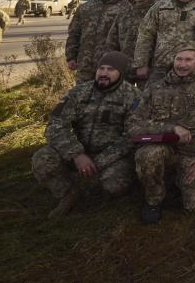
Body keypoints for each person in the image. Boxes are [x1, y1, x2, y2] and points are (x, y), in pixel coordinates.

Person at [129, 44, 195, 224]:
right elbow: (133, 123)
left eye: (188, 60)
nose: (182, 65)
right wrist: (171, 128)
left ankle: (180, 182)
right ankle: (153, 199)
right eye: (179, 59)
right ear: (173, 60)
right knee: (148, 155)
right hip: (162, 151)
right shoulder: (155, 88)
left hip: (193, 157)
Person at [31, 52, 140, 218]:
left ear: (121, 73)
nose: (103, 73)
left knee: (115, 185)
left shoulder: (133, 97)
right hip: (78, 152)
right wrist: (77, 154)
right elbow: (55, 125)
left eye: (110, 69)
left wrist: (99, 162)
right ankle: (68, 194)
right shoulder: (78, 92)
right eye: (101, 68)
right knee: (42, 159)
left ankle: (101, 196)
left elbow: (131, 136)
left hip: (111, 157)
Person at [66, 0, 132, 83]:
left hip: (111, 67)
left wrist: (126, 64)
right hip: (85, 64)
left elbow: (130, 40)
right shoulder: (86, 8)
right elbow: (74, 33)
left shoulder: (126, 8)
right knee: (82, 96)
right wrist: (71, 56)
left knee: (108, 98)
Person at [107, 0, 156, 84]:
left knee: (145, 99)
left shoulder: (157, 11)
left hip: (149, 69)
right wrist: (112, 62)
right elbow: (112, 39)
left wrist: (145, 64)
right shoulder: (125, 11)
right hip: (124, 66)